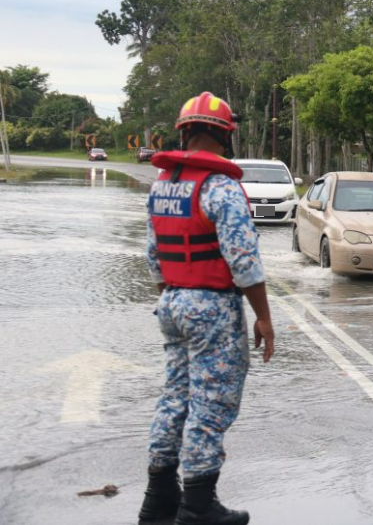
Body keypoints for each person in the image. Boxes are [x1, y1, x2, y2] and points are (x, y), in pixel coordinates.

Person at [138, 92, 274, 525]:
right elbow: (244, 262)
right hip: (212, 306)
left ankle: (159, 498)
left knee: (175, 397)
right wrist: (263, 317)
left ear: (184, 133)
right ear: (225, 136)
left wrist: (175, 295)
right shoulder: (220, 186)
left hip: (171, 301)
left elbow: (154, 255)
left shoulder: (163, 185)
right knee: (210, 405)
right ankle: (198, 505)